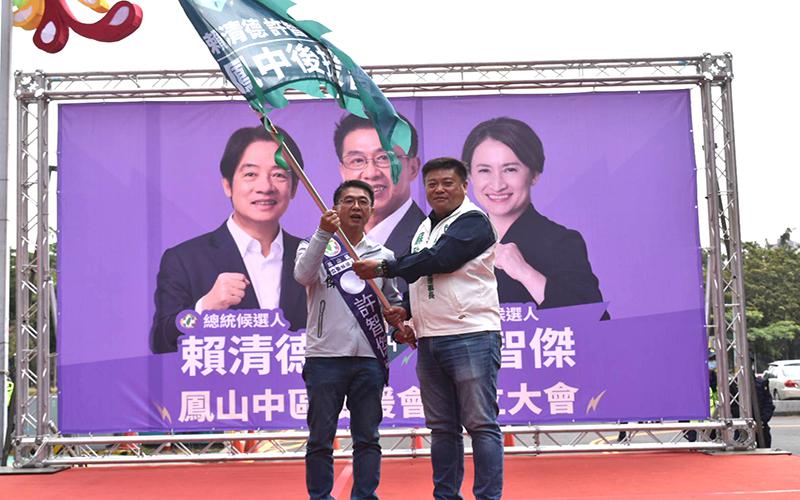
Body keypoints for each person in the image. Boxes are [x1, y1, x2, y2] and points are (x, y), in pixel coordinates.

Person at [355, 158, 504, 500]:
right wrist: (406, 313)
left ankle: (487, 496)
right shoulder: (425, 227)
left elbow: (441, 259)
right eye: (432, 184)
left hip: (470, 335)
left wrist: (384, 268)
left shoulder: (473, 221)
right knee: (442, 428)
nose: (439, 189)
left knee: (480, 423)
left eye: (447, 183)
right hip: (431, 339)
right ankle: (446, 495)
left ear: (464, 186)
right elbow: (423, 279)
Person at [149, 125, 307, 354]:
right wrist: (203, 310)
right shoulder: (185, 260)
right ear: (227, 185)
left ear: (294, 188)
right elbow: (161, 342)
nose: (265, 187)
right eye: (250, 174)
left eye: (279, 175)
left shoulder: (315, 258)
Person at [294, 180, 406, 500]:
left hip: (369, 359)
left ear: (371, 209)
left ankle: (365, 496)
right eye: (348, 201)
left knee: (368, 438)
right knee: (320, 438)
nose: (356, 207)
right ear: (335, 208)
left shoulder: (383, 255)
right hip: (325, 358)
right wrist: (323, 234)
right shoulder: (314, 245)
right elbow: (303, 275)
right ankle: (320, 496)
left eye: (362, 202)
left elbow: (391, 301)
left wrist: (398, 316)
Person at [461, 116, 605, 309]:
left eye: (510, 169)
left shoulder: (561, 242)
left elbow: (594, 319)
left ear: (534, 174)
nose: (497, 184)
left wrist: (524, 272)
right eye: (484, 170)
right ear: (469, 176)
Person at [333, 113, 425, 259]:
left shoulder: (433, 240)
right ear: (342, 172)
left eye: (384, 158)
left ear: (412, 168)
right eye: (357, 160)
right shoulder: (330, 245)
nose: (371, 173)